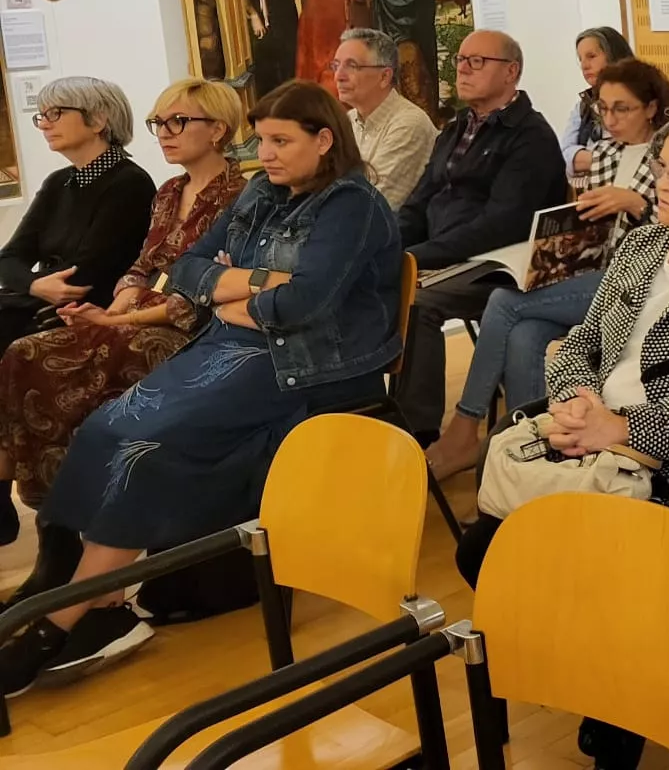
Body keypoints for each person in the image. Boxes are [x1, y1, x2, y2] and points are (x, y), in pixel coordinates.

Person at [0, 81, 402, 692]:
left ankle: (59, 622)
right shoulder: (263, 193)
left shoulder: (352, 204)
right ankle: (99, 602)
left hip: (308, 363)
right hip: (236, 345)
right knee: (106, 427)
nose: (264, 154)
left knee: (148, 448)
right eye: (261, 139)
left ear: (324, 140)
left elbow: (304, 303)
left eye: (280, 141)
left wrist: (240, 295)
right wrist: (257, 284)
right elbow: (187, 268)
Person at [454, 104, 669, 769]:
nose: (660, 183)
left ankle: (622, 690)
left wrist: (625, 428)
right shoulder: (644, 244)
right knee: (484, 553)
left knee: (590, 561)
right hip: (596, 436)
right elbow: (583, 340)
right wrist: (573, 403)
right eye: (659, 167)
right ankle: (607, 667)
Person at [0, 81, 244, 576]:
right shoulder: (170, 191)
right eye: (159, 123)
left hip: (194, 328)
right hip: (141, 312)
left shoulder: (239, 195)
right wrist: (116, 308)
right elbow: (141, 266)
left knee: (40, 357)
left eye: (178, 122)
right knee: (28, 356)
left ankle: (78, 535)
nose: (164, 133)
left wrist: (119, 315)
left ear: (218, 130)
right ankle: (60, 533)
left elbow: (202, 291)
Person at [425, 58, 669, 476]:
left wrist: (637, 204)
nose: (611, 119)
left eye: (623, 109)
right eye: (603, 108)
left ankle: (465, 426)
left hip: (643, 281)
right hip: (597, 272)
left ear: (651, 108)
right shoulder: (602, 153)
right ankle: (540, 448)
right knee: (526, 334)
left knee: (504, 304)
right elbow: (596, 238)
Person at [397, 30, 568, 438]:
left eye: (477, 61)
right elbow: (419, 202)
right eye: (460, 59)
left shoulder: (531, 136)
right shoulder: (457, 128)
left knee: (416, 302)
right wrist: (389, 246)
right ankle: (360, 415)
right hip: (446, 254)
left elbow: (500, 226)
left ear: (511, 72)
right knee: (372, 280)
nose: (462, 68)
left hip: (499, 265)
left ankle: (412, 434)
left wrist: (419, 258)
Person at [0, 78, 156, 352]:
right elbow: (9, 258)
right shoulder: (58, 182)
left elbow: (83, 275)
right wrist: (35, 284)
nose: (45, 124)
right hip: (40, 303)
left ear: (97, 121)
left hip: (86, 311)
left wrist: (30, 284)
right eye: (42, 116)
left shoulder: (130, 183)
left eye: (56, 114)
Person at [334, 27, 436, 210]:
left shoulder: (409, 124)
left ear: (384, 77)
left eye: (352, 66)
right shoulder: (347, 121)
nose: (338, 76)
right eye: (336, 65)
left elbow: (373, 205)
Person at [560, 26, 635, 173]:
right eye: (580, 59)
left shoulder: (640, 101)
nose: (584, 66)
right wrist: (608, 158)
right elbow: (564, 156)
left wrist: (585, 157)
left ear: (614, 55)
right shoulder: (583, 106)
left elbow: (637, 153)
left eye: (591, 56)